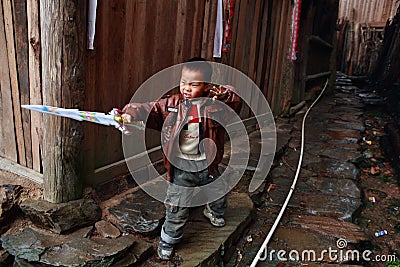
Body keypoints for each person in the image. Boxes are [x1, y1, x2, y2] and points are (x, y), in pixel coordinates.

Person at [121, 57, 242, 260]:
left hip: (208, 165)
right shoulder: (172, 105)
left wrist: (225, 95)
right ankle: (168, 239)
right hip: (182, 168)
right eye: (183, 82)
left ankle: (213, 211)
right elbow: (148, 108)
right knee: (177, 206)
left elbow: (235, 101)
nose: (187, 87)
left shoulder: (216, 106)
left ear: (207, 86)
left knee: (218, 193)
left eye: (194, 84)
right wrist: (130, 113)